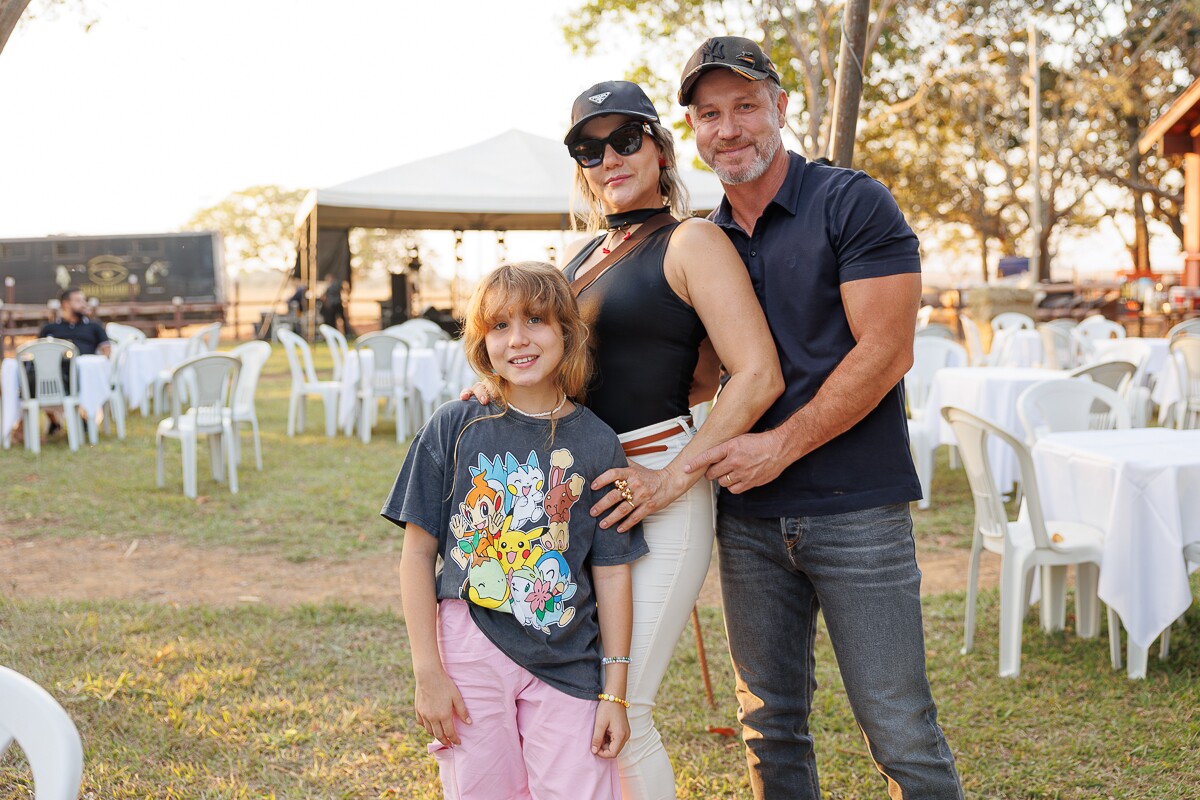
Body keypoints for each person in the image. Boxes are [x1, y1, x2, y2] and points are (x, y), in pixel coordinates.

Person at [466, 80, 782, 798]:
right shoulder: (577, 261)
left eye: (626, 138)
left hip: (661, 494)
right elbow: (554, 364)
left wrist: (672, 477)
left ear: (660, 146)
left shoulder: (693, 239)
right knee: (582, 704)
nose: (609, 156)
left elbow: (757, 374)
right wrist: (497, 387)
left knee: (621, 713)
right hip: (580, 503)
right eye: (588, 146)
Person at [676, 37, 963, 799]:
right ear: (694, 131)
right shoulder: (704, 241)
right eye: (709, 114)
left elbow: (888, 351)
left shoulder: (852, 201)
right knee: (770, 726)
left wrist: (778, 446)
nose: (728, 129)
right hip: (747, 518)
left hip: (855, 510)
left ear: (781, 106)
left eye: (744, 105)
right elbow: (693, 373)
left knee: (899, 726)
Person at [384, 261, 648, 799]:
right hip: (469, 652)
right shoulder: (455, 425)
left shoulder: (598, 443)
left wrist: (615, 694)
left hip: (568, 660)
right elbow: (417, 556)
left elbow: (613, 573)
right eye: (499, 326)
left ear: (567, 333)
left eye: (536, 321)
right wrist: (427, 672)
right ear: (482, 342)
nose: (518, 340)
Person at [39, 288, 110, 356]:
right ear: (66, 304)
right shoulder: (49, 328)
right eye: (79, 301)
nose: (84, 304)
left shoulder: (95, 326)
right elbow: (39, 352)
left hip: (86, 366)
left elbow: (107, 352)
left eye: (84, 300)